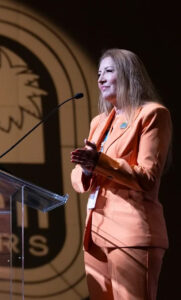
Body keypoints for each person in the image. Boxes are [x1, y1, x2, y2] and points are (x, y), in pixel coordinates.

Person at [70, 48, 172, 300]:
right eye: (98, 73)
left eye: (109, 71)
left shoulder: (152, 114)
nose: (100, 79)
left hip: (131, 233)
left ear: (128, 75)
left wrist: (99, 162)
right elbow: (78, 177)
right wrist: (85, 169)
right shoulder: (99, 122)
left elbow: (147, 178)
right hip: (96, 235)